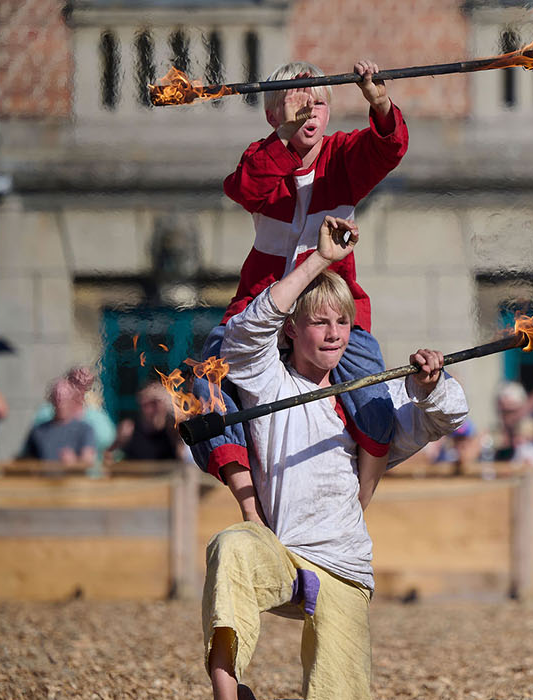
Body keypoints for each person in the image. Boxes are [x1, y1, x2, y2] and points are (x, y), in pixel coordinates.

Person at [201, 216, 465, 700]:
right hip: (278, 552)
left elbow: (444, 418)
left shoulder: (368, 403)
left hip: (343, 564)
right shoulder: (268, 382)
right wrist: (321, 260)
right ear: (291, 331)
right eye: (318, 321)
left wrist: (431, 387)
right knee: (230, 546)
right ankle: (228, 687)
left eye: (341, 321)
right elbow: (246, 332)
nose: (333, 333)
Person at [189, 58, 410, 526]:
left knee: (373, 394)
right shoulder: (264, 158)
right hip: (262, 309)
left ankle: (358, 502)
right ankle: (251, 509)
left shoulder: (345, 157)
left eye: (320, 102)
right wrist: (284, 140)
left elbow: (387, 148)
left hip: (331, 310)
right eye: (297, 103)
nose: (310, 111)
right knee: (203, 383)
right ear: (273, 115)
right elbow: (244, 186)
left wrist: (382, 103)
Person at [20, 379, 97, 468]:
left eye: (64, 399)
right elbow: (25, 460)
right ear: (52, 401)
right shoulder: (38, 431)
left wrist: (74, 461)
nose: (60, 403)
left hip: (73, 480)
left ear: (72, 400)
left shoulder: (85, 429)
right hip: (44, 480)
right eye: (57, 398)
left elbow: (88, 461)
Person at [111, 382, 186, 462]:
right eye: (149, 403)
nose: (155, 408)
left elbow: (184, 459)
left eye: (158, 402)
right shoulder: (129, 430)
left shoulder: (173, 430)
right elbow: (109, 458)